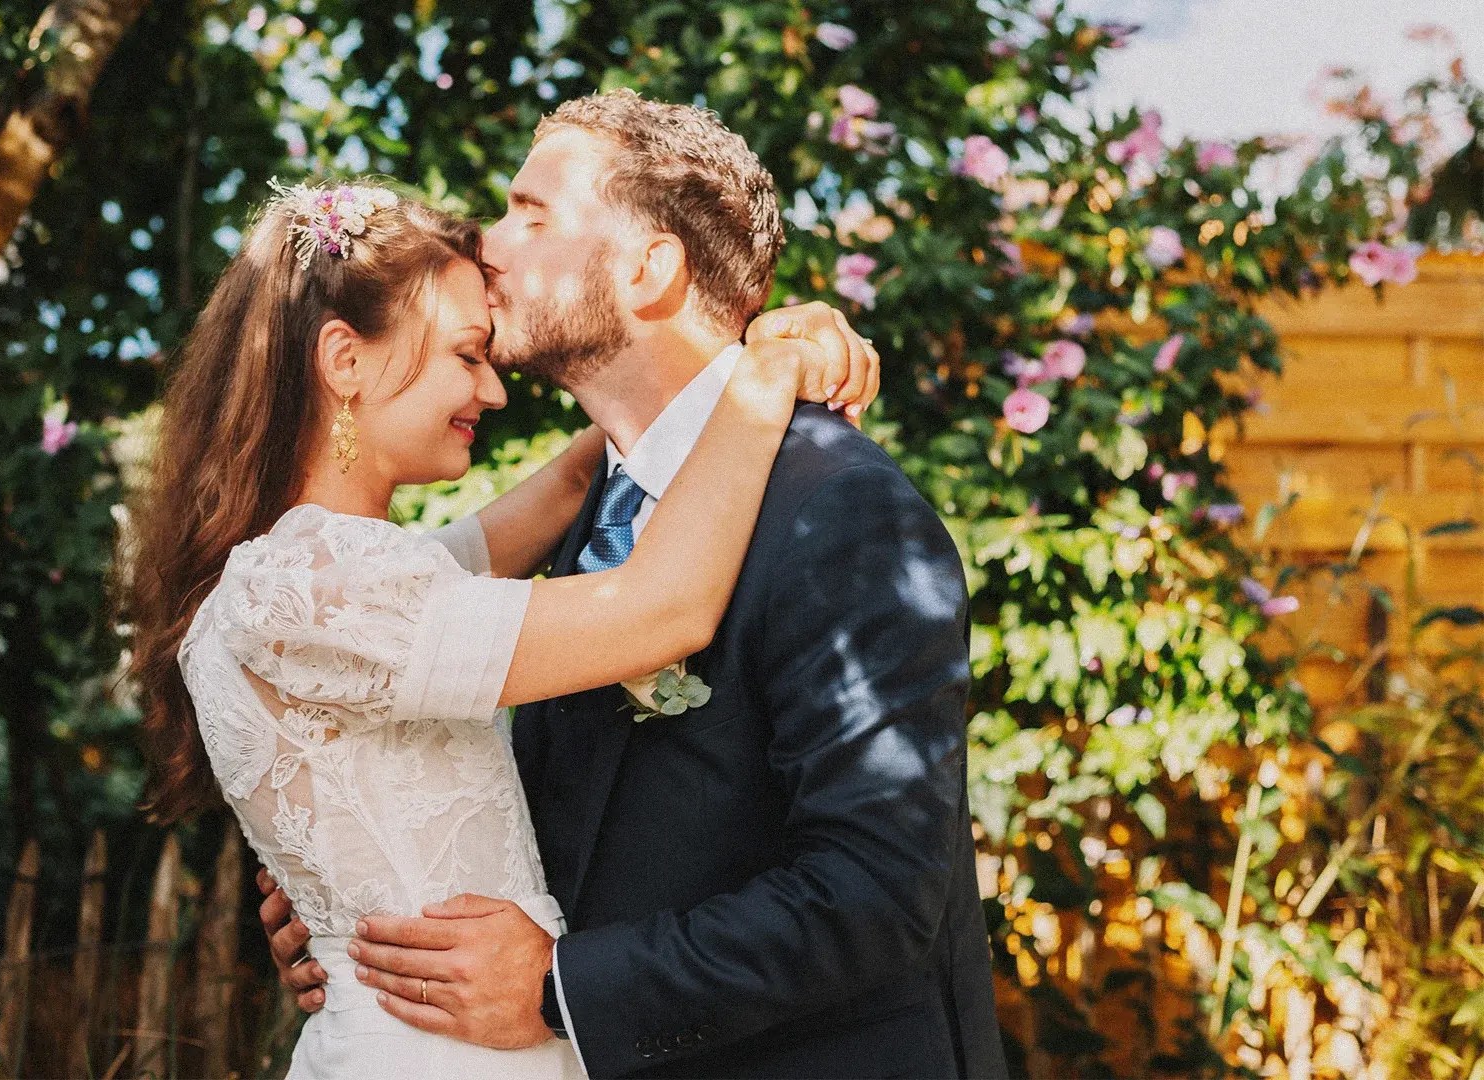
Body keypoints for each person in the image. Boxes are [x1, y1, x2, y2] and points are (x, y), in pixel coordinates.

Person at [259, 91, 1009, 1079]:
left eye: (534, 215)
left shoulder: (839, 508)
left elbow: (876, 891)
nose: (491, 243)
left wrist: (559, 988)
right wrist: (364, 892)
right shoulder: (585, 513)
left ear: (651, 268)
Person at [128, 175, 878, 1080]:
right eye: (466, 354)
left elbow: (569, 488)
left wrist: (708, 363)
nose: (493, 388)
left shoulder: (339, 575)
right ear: (345, 359)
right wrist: (763, 379)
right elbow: (663, 608)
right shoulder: (315, 589)